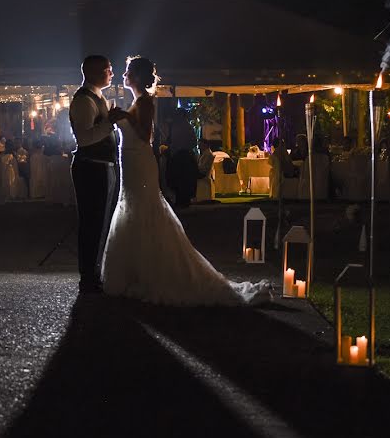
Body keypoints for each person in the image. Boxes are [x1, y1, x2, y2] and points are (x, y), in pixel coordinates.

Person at [101, 56, 272, 306]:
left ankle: (151, 272)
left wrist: (123, 119)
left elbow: (145, 135)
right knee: (131, 206)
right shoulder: (137, 101)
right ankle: (135, 270)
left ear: (136, 76)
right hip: (130, 161)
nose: (123, 75)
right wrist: (124, 117)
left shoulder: (145, 102)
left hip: (139, 161)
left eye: (127, 72)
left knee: (143, 208)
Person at [69, 55, 128, 294]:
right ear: (93, 72)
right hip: (91, 167)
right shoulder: (83, 100)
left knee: (101, 221)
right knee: (92, 222)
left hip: (103, 166)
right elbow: (84, 138)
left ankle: (95, 272)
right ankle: (88, 276)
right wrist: (110, 123)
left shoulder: (97, 96)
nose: (112, 74)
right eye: (108, 69)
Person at [165, 107, 199, 208]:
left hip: (179, 156)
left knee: (179, 180)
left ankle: (181, 200)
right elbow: (193, 142)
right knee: (184, 180)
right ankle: (184, 200)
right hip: (184, 156)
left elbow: (192, 142)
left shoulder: (176, 127)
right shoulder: (187, 127)